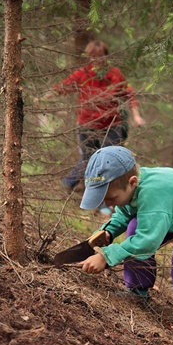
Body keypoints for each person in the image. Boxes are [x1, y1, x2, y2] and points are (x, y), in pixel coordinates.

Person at [78, 146, 173, 344]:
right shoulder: (132, 189)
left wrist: (106, 256)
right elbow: (125, 211)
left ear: (132, 182)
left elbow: (147, 241)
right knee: (134, 227)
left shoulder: (152, 194)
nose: (109, 205)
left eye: (111, 199)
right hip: (168, 209)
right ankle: (138, 291)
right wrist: (109, 231)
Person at [51, 41, 145, 217]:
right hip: (87, 124)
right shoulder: (82, 74)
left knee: (111, 163)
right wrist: (43, 98)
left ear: (105, 56)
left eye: (100, 56)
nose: (96, 60)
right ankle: (93, 199)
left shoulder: (114, 74)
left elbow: (129, 93)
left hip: (111, 125)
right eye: (93, 56)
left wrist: (136, 115)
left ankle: (110, 202)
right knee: (89, 161)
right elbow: (64, 86)